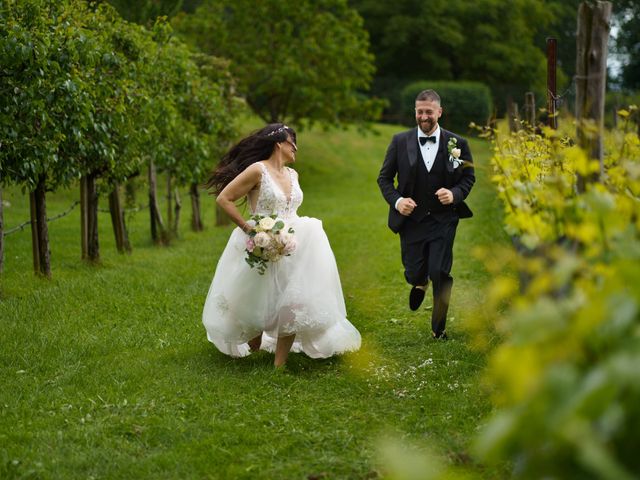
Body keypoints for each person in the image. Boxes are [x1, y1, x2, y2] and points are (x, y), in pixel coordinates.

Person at [202, 123, 361, 367]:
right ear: (279, 143)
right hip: (261, 237)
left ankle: (279, 364)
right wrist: (249, 229)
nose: (296, 148)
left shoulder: (292, 175)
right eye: (292, 143)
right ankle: (254, 350)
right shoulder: (258, 170)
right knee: (256, 296)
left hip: (294, 240)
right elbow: (225, 198)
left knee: (293, 298)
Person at [377, 89, 475, 339]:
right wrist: (398, 201)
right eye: (419, 111)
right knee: (413, 270)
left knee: (439, 271)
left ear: (439, 112)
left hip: (444, 219)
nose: (423, 116)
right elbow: (385, 179)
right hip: (412, 221)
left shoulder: (457, 144)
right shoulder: (400, 141)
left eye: (429, 112)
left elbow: (468, 177)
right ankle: (419, 281)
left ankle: (438, 328)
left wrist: (455, 194)